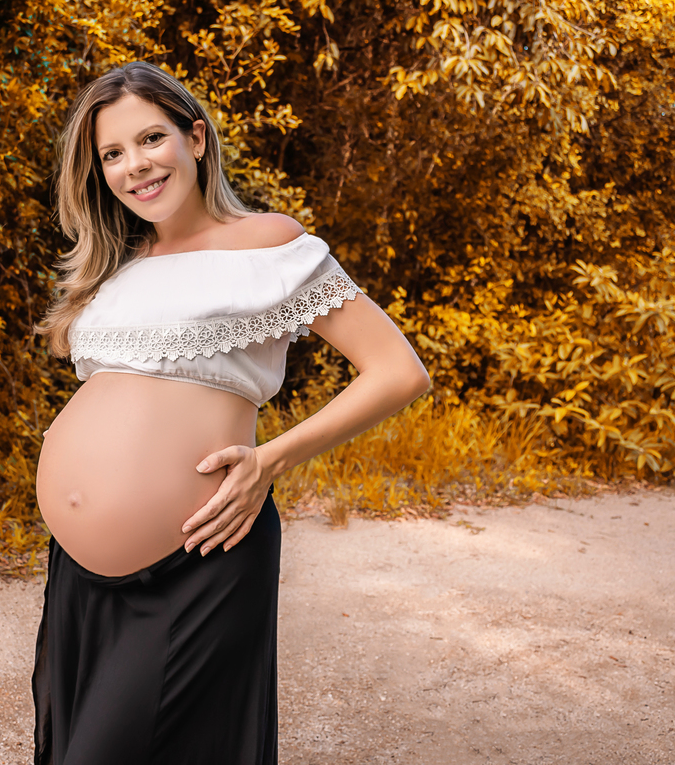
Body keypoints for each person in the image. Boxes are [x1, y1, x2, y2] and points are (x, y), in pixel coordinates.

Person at [31, 61, 431, 765]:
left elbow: (399, 371)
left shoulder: (267, 243)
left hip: (199, 557)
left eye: (152, 139)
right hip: (77, 574)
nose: (136, 166)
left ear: (196, 138)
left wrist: (270, 459)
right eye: (113, 154)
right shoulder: (119, 266)